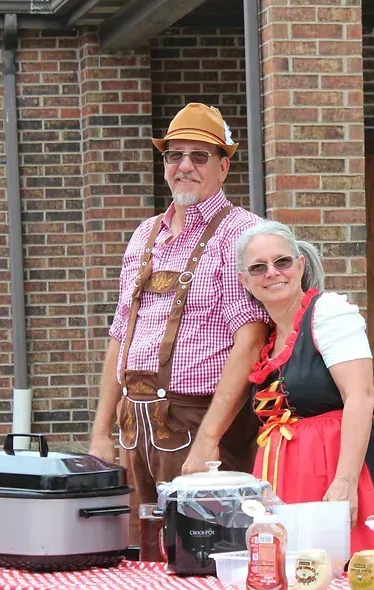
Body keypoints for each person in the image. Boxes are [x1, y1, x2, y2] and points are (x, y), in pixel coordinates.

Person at [89, 102, 269, 506]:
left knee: (200, 541)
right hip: (133, 424)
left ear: (223, 166)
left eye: (199, 156)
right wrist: (101, 432)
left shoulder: (242, 234)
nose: (184, 166)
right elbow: (120, 334)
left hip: (200, 423)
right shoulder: (144, 233)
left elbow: (251, 343)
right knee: (138, 541)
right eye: (174, 155)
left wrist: (208, 439)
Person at [236, 220, 374, 552]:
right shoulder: (266, 336)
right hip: (284, 476)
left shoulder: (328, 313)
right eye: (258, 267)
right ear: (245, 281)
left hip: (336, 467)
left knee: (350, 566)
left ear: (300, 265)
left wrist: (345, 482)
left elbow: (361, 395)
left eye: (282, 261)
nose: (272, 272)